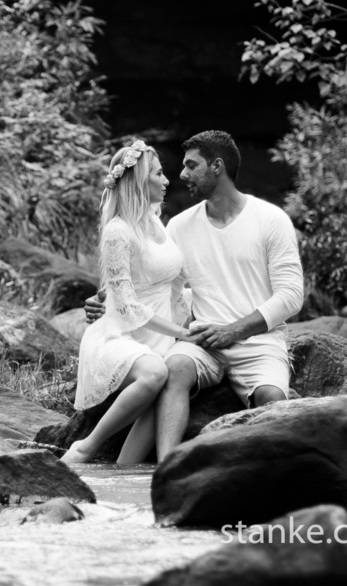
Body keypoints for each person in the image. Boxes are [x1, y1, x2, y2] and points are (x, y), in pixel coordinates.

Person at [83, 130, 304, 461]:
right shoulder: (180, 226)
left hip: (260, 342)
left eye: (191, 165)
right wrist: (110, 300)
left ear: (217, 166)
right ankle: (169, 469)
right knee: (173, 368)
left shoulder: (271, 220)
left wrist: (233, 330)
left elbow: (291, 295)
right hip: (202, 341)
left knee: (272, 398)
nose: (181, 175)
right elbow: (164, 285)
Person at [60, 140, 194, 465]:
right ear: (139, 181)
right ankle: (86, 447)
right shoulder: (118, 231)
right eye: (159, 174)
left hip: (160, 334)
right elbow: (126, 306)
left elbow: (178, 282)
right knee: (153, 373)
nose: (167, 181)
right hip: (121, 335)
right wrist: (181, 331)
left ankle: (123, 476)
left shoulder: (157, 221)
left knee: (161, 388)